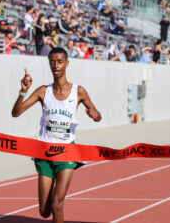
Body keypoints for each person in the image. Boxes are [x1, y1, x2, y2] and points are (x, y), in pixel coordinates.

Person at [11, 47, 101, 223]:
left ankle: (56, 197)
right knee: (45, 211)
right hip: (44, 152)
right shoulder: (43, 91)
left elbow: (96, 113)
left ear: (67, 63)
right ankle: (50, 193)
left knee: (57, 204)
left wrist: (95, 115)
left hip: (67, 151)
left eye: (60, 61)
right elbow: (16, 113)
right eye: (52, 62)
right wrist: (23, 91)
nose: (56, 65)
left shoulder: (78, 91)